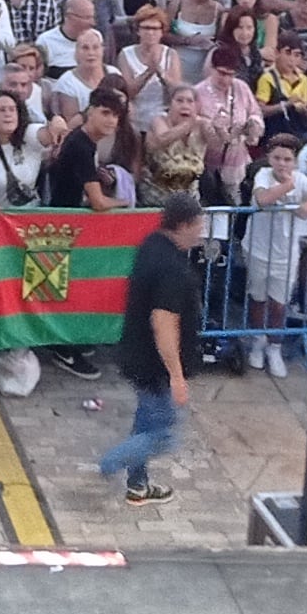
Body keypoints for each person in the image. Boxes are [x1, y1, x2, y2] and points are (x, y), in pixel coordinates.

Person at [95, 188, 205, 508]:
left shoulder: (151, 245)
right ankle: (111, 463)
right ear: (184, 225)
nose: (201, 232)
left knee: (146, 420)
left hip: (135, 352)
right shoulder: (173, 269)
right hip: (155, 365)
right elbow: (164, 323)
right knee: (163, 434)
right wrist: (177, 375)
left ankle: (138, 485)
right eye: (198, 225)